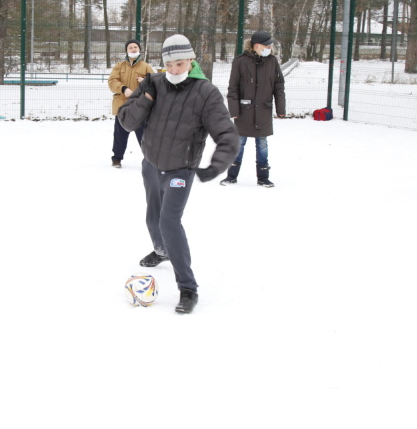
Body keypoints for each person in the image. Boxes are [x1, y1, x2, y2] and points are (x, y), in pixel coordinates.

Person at [117, 34, 238, 314]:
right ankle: (161, 251)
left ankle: (188, 288)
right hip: (151, 163)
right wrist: (145, 97)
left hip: (180, 169)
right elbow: (126, 121)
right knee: (152, 217)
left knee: (169, 221)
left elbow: (226, 134)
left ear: (191, 61)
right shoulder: (154, 83)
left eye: (180, 63)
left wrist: (214, 167)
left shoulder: (205, 92)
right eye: (169, 64)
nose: (174, 70)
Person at [221, 30, 286, 187]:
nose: (270, 48)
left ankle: (263, 177)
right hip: (244, 112)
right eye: (267, 45)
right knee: (239, 143)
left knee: (262, 144)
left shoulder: (272, 61)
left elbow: (279, 86)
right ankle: (231, 175)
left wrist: (280, 108)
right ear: (257, 46)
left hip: (263, 110)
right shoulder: (240, 61)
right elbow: (233, 88)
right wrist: (234, 111)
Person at [107, 40, 155, 168]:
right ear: (126, 51)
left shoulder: (146, 67)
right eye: (130, 47)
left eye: (135, 47)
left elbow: (155, 84)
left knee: (144, 135)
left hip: (140, 108)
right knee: (119, 134)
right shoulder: (119, 66)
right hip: (122, 108)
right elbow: (112, 81)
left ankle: (149, 159)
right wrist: (124, 89)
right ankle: (117, 159)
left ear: (139, 50)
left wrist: (144, 81)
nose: (133, 49)